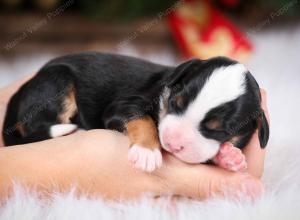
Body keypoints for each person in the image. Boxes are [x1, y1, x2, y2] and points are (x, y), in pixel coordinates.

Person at [0, 74, 269, 200]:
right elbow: (122, 113)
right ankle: (39, 129)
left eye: (216, 130)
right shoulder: (159, 92)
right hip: (65, 80)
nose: (174, 138)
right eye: (176, 107)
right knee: (56, 86)